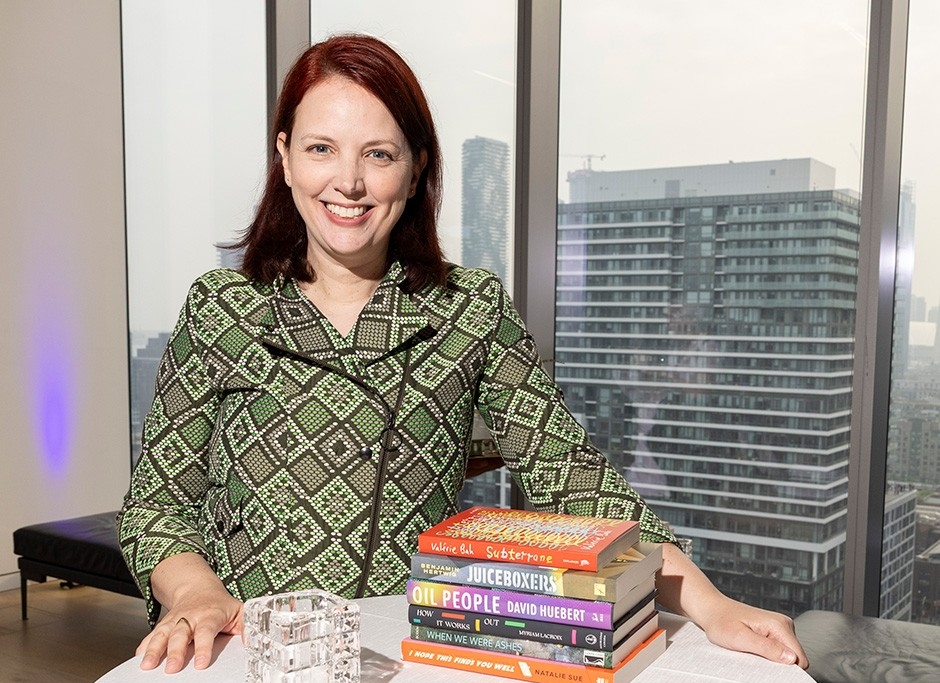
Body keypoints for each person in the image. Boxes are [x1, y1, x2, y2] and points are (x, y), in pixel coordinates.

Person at [117, 33, 808, 674]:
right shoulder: (221, 307)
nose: (349, 183)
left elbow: (572, 475)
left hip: (410, 652)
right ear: (285, 156)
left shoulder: (469, 308)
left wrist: (711, 603)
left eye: (378, 154)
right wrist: (196, 594)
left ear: (416, 171)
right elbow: (157, 505)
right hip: (247, 651)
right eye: (321, 148)